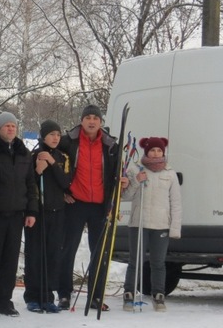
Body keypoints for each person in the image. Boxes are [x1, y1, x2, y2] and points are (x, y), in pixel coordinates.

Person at [58, 104, 119, 311]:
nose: (92, 121)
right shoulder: (68, 141)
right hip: (75, 203)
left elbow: (118, 172)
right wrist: (62, 191)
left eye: (96, 118)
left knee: (99, 252)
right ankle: (64, 294)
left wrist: (123, 183)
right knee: (68, 250)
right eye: (88, 117)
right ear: (81, 120)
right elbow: (54, 165)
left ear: (101, 122)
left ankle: (95, 296)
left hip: (101, 206)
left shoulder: (110, 145)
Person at [120, 137, 182, 312]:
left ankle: (158, 295)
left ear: (163, 152)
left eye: (159, 150)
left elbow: (176, 202)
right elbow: (125, 196)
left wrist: (175, 228)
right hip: (138, 224)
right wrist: (135, 182)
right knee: (135, 261)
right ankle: (129, 293)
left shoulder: (169, 173)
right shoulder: (136, 169)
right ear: (146, 151)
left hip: (161, 224)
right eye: (152, 150)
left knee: (158, 262)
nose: (156, 153)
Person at [0, 112, 38, 317]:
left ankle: (4, 301)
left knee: (10, 261)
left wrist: (31, 210)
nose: (10, 129)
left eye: (13, 126)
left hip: (17, 214)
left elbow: (30, 184)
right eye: (6, 126)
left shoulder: (23, 152)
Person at [24, 120, 72, 314]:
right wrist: (38, 170)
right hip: (38, 212)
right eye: (51, 134)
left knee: (53, 255)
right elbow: (28, 182)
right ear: (44, 136)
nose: (55, 138)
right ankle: (32, 296)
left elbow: (67, 183)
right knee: (35, 254)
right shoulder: (33, 155)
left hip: (57, 212)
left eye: (58, 135)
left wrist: (52, 164)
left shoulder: (63, 157)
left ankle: (47, 296)